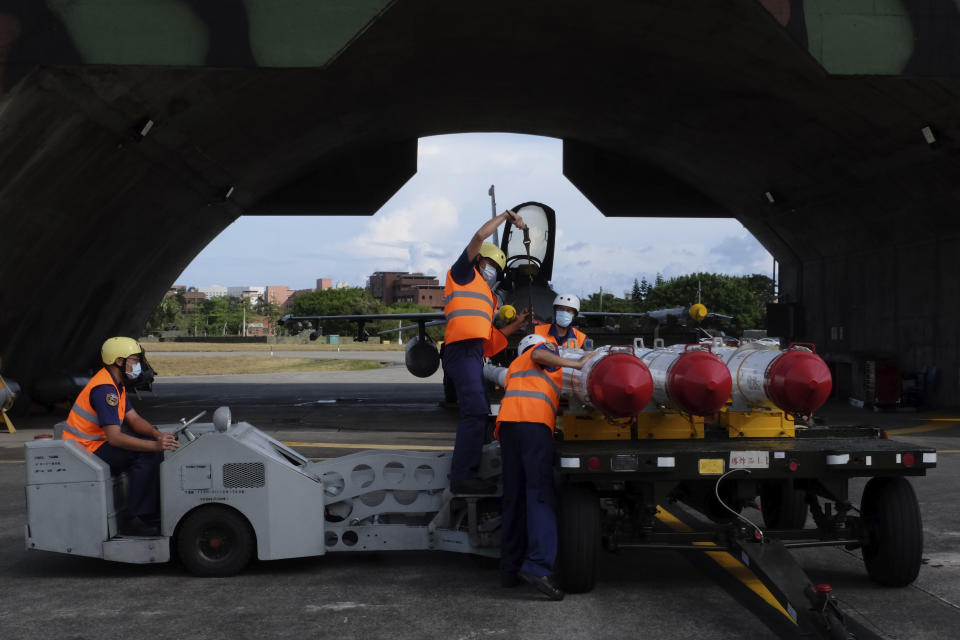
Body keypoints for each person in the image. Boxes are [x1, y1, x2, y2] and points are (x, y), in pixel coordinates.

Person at [496, 333, 594, 601]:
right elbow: (541, 354)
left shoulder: (516, 367)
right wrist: (578, 363)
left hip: (508, 427)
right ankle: (538, 567)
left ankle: (510, 570)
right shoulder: (541, 350)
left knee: (513, 498)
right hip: (533, 425)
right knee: (539, 495)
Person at [443, 209, 530, 494]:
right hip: (460, 352)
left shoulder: (488, 297)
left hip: (472, 353)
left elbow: (489, 341)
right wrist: (507, 216)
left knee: (478, 413)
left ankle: (470, 471)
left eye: (497, 268)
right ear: (479, 260)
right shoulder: (463, 274)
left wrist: (516, 325)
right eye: (490, 263)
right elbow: (480, 235)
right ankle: (461, 478)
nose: (493, 270)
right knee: (475, 413)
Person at [62, 337, 178, 536]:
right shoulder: (106, 391)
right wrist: (154, 446)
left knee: (145, 443)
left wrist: (156, 434)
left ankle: (145, 508)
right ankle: (140, 516)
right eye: (133, 360)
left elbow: (133, 419)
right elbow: (115, 438)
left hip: (94, 444)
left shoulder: (116, 384)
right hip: (84, 450)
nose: (137, 365)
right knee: (147, 454)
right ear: (119, 361)